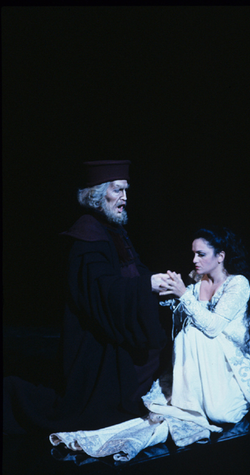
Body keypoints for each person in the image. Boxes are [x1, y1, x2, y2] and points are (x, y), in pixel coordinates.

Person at [49, 225, 250, 462]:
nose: (195, 260)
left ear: (220, 256)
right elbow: (184, 316)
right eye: (193, 254)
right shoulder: (198, 283)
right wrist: (168, 295)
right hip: (203, 361)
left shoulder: (238, 284)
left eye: (201, 254)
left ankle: (209, 397)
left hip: (229, 361)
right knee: (189, 333)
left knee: (222, 413)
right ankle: (190, 399)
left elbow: (213, 327)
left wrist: (183, 295)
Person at [3, 160, 171, 434]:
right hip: (97, 344)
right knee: (76, 411)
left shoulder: (113, 231)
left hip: (118, 337)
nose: (125, 198)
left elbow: (132, 272)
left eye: (126, 190)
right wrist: (146, 285)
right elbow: (102, 291)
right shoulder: (88, 235)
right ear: (96, 193)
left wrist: (158, 281)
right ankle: (12, 396)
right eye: (118, 190)